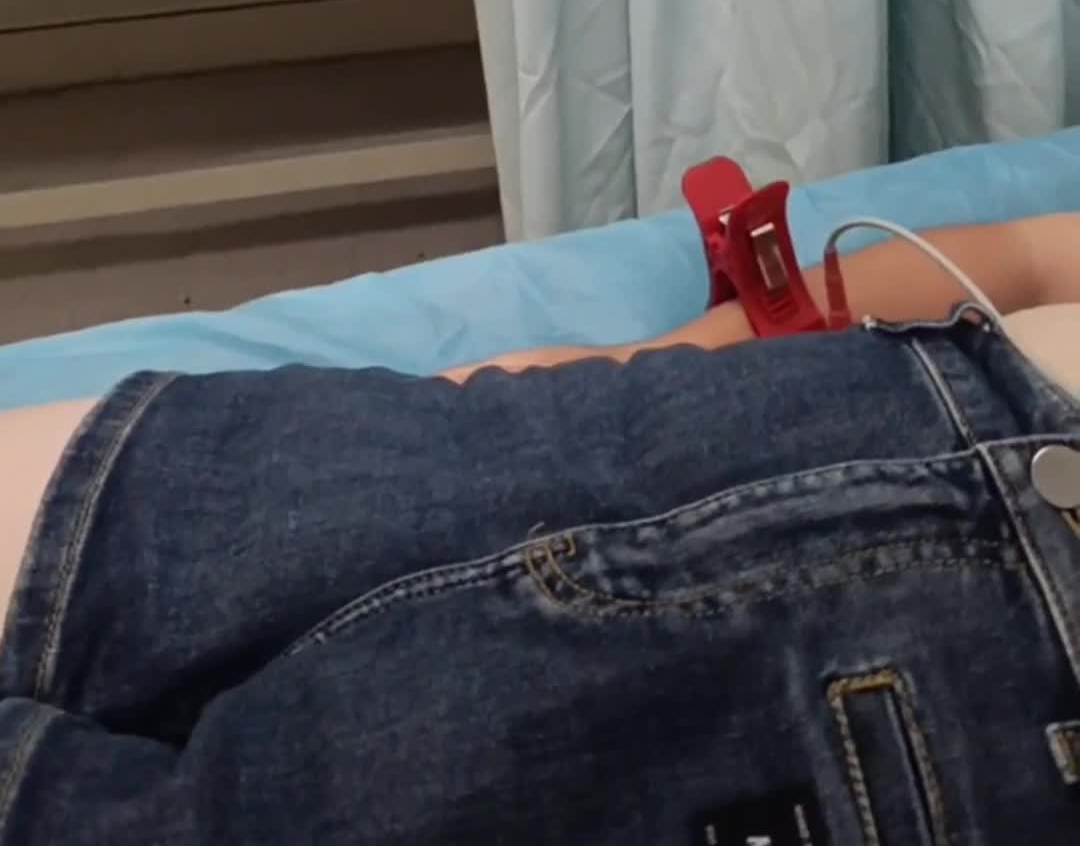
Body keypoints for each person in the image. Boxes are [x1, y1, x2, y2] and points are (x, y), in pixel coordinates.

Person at [1, 213, 1079, 842]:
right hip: (801, 407)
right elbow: (1031, 253)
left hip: (953, 720)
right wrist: (684, 354)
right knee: (89, 522)